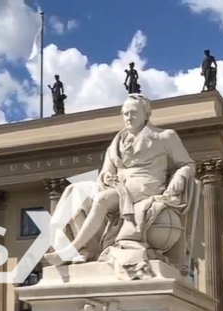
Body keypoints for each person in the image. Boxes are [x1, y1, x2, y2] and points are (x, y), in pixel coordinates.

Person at [45, 94, 195, 272]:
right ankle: (86, 250)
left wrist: (179, 177)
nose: (128, 118)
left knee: (102, 199)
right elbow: (106, 170)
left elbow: (187, 164)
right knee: (75, 190)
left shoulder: (164, 137)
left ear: (146, 115)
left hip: (144, 185)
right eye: (125, 114)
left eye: (133, 113)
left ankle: (71, 249)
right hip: (118, 185)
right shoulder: (117, 141)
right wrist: (107, 176)